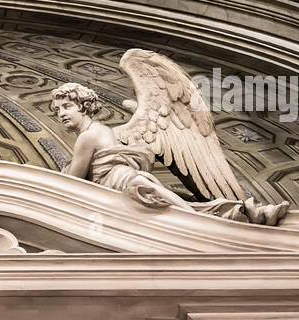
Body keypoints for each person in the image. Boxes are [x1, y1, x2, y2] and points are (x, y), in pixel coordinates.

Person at [51, 82, 285, 224]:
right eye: (57, 109)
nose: (61, 113)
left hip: (123, 183)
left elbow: (74, 183)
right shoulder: (103, 131)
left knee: (185, 214)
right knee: (181, 210)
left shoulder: (88, 136)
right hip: (129, 182)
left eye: (67, 106)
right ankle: (235, 212)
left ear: (84, 107)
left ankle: (233, 214)